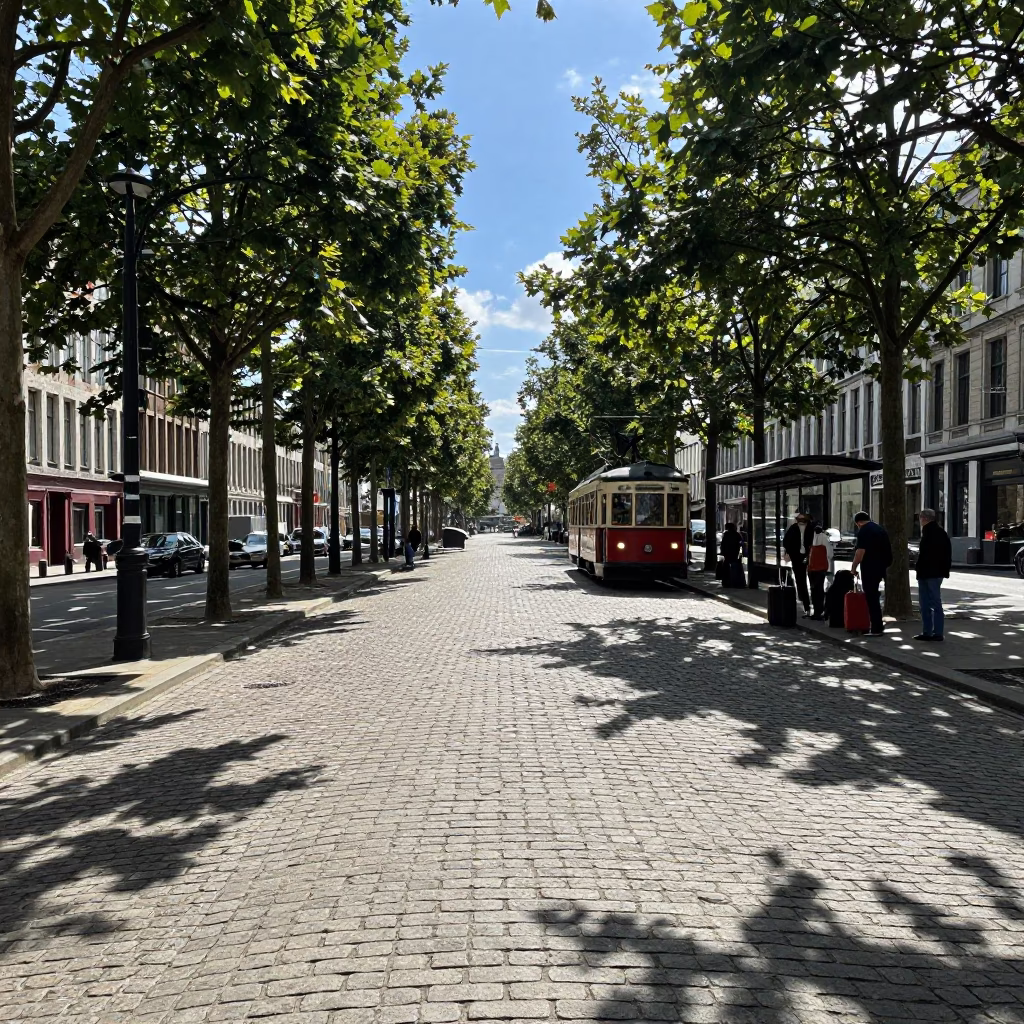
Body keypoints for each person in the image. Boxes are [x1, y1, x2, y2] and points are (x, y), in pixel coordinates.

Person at [850, 511, 892, 636]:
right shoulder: (880, 529)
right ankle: (878, 625)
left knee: (871, 597)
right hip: (882, 567)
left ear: (858, 523)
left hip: (870, 567)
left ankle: (876, 628)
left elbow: (860, 552)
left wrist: (853, 568)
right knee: (875, 596)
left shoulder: (864, 531)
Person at [914, 508, 951, 642]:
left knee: (928, 603)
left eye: (920, 518)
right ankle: (935, 632)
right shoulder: (940, 532)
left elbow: (926, 554)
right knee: (933, 602)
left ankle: (930, 632)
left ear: (924, 518)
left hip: (928, 572)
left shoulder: (929, 533)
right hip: (935, 572)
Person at [782, 511, 814, 616]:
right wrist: (789, 553)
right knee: (801, 581)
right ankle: (806, 606)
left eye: (802, 519)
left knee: (814, 582)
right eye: (799, 519)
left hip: (810, 557)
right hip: (797, 557)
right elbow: (786, 541)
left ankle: (816, 607)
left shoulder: (812, 528)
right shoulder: (793, 528)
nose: (800, 521)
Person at [806, 522, 834, 620]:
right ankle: (819, 610)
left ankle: (817, 610)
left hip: (813, 567)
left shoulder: (812, 537)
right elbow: (830, 554)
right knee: (818, 589)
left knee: (815, 590)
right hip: (820, 567)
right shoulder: (825, 538)